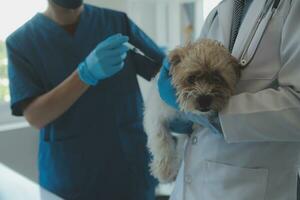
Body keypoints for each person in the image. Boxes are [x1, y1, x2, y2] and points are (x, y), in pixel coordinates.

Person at [6, 0, 164, 199]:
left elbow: (164, 70)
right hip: (71, 178)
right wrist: (85, 74)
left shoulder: (115, 23)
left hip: (129, 170)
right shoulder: (22, 42)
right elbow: (35, 117)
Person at [158, 0, 300, 199]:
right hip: (192, 182)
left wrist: (215, 117)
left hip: (252, 188)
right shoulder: (220, 11)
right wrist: (186, 116)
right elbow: (190, 73)